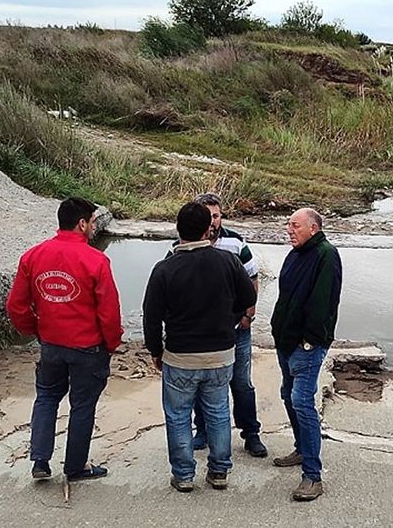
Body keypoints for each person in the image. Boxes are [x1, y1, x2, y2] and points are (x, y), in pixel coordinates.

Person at [5, 197, 123, 482]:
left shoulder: (33, 256)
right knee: (82, 406)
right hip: (88, 347)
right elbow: (109, 311)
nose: (95, 227)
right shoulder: (96, 260)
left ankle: (40, 462)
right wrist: (111, 343)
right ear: (82, 224)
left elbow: (16, 306)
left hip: (52, 345)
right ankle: (75, 467)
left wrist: (36, 330)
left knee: (46, 397)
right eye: (93, 221)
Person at [143, 201, 257, 493]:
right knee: (219, 411)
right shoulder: (227, 262)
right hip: (221, 355)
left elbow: (151, 317)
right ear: (209, 230)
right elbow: (247, 297)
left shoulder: (164, 269)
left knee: (178, 415)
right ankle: (219, 471)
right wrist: (228, 319)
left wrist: (156, 351)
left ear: (178, 230)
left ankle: (183, 475)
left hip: (180, 357)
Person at [167, 193, 267, 458]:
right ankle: (203, 431)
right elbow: (168, 280)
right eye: (207, 216)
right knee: (205, 384)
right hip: (203, 333)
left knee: (241, 383)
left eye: (217, 215)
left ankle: (251, 433)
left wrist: (248, 316)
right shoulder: (180, 244)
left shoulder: (234, 242)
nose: (213, 221)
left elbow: (252, 279)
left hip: (236, 329)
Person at [270, 207, 342, 502]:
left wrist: (310, 341)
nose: (289, 229)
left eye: (295, 225)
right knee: (288, 396)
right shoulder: (295, 254)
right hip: (285, 342)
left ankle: (313, 476)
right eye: (288, 224)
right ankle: (302, 448)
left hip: (306, 346)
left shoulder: (326, 254)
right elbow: (285, 296)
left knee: (302, 401)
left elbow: (324, 302)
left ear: (313, 228)